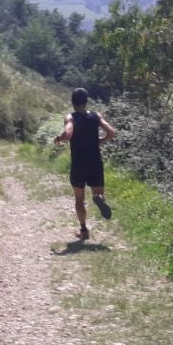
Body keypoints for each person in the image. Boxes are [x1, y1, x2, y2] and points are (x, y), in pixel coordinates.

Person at [53, 88, 117, 239]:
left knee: (79, 199)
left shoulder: (70, 117)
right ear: (86, 101)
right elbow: (112, 132)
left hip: (79, 164)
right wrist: (100, 141)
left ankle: (84, 230)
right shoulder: (96, 116)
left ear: (72, 102)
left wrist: (58, 139)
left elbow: (68, 134)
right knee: (98, 192)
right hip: (95, 162)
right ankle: (99, 198)